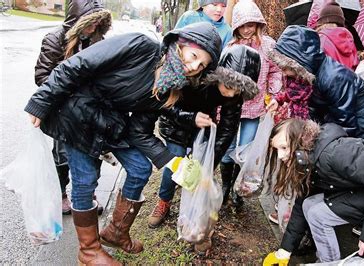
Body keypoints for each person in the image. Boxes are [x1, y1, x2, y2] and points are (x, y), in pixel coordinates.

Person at [24, 22, 221, 265]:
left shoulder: (169, 89)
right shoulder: (140, 46)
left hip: (109, 123)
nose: (193, 66)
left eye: (201, 65)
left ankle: (116, 232)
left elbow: (139, 131)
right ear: (179, 42)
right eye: (194, 56)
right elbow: (78, 64)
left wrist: (173, 162)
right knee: (85, 181)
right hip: (78, 114)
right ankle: (89, 251)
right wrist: (43, 99)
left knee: (140, 168)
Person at [263, 119, 364, 264]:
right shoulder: (308, 156)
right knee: (308, 204)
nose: (281, 155)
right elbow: (301, 201)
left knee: (318, 215)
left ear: (299, 140)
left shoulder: (334, 153)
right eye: (277, 149)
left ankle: (328, 263)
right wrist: (284, 250)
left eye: (284, 147)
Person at [147, 44, 260, 233]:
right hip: (176, 125)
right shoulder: (197, 76)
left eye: (238, 91)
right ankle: (164, 200)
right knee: (174, 163)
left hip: (202, 128)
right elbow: (165, 104)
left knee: (198, 169)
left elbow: (228, 128)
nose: (232, 94)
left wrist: (210, 163)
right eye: (230, 86)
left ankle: (193, 207)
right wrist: (190, 118)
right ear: (219, 76)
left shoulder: (235, 92)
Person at [34, 0, 112, 216]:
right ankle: (60, 194)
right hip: (63, 110)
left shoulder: (99, 41)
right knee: (62, 156)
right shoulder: (54, 39)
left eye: (99, 23)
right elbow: (42, 76)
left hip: (90, 110)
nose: (93, 28)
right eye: (90, 22)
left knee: (94, 152)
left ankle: (87, 193)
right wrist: (73, 82)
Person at [267, 25, 364, 145]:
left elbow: (345, 123)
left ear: (297, 63)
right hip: (335, 116)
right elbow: (298, 93)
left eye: (285, 67)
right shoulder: (305, 74)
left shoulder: (334, 77)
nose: (283, 72)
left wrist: (324, 144)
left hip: (361, 123)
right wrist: (279, 99)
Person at [219, 0, 283, 207]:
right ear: (236, 26)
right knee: (227, 148)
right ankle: (225, 186)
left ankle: (239, 188)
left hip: (255, 108)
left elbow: (275, 71)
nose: (247, 30)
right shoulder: (230, 46)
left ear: (258, 24)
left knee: (245, 151)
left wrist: (273, 92)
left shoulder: (268, 45)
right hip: (230, 107)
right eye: (243, 26)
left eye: (251, 25)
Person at [314, 1, 359, 70]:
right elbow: (355, 64)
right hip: (349, 79)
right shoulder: (348, 39)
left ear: (321, 21)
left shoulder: (320, 40)